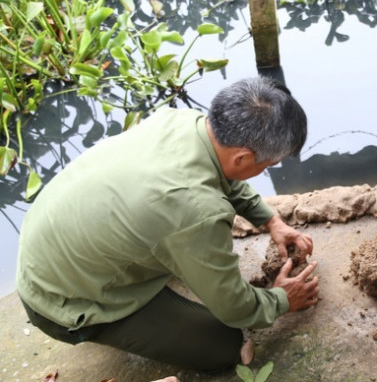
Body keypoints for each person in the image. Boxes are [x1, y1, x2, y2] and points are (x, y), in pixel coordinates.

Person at [16, 76, 320, 372]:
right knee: (224, 345)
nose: (266, 169)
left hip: (50, 243)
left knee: (175, 240)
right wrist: (281, 299)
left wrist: (270, 219)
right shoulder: (197, 212)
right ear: (243, 158)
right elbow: (235, 307)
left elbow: (222, 174)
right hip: (61, 298)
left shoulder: (180, 121)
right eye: (267, 164)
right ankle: (95, 322)